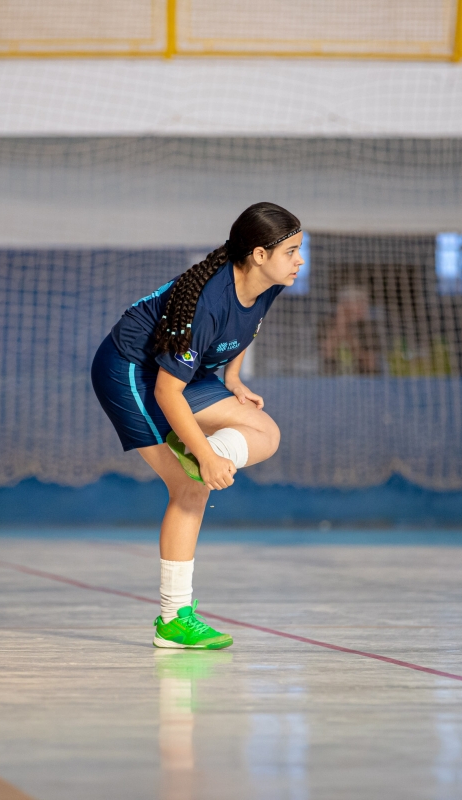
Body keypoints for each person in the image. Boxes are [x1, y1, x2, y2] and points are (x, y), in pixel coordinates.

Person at [91, 202, 302, 650]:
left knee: (266, 432)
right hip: (131, 370)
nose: (299, 261)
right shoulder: (208, 303)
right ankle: (173, 620)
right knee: (191, 488)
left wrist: (233, 378)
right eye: (292, 251)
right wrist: (205, 456)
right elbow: (167, 392)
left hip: (185, 371)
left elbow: (247, 326)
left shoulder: (268, 283)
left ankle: (199, 453)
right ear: (259, 255)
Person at [320, 284, 383, 375]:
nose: (365, 307)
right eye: (360, 302)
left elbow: (371, 364)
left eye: (365, 302)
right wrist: (340, 324)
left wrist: (348, 336)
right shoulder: (325, 324)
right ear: (345, 304)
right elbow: (327, 354)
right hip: (330, 378)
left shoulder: (369, 328)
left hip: (363, 379)